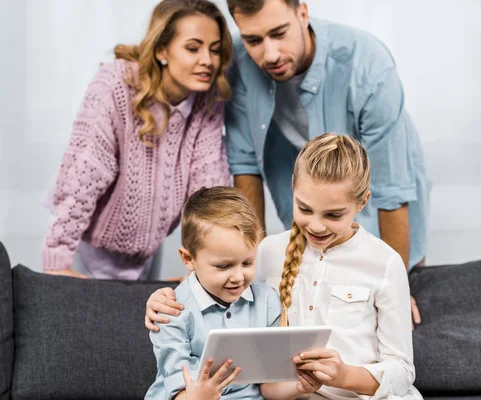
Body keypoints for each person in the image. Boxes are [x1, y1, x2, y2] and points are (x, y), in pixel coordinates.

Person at [147, 134, 423, 399]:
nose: (316, 225)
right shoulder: (268, 251)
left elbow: (402, 370)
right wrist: (161, 299)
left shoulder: (385, 262)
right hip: (293, 394)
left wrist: (344, 375)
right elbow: (218, 281)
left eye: (333, 215)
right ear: (292, 190)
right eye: (304, 209)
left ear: (362, 201)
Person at [223, 0, 430, 322]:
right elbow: (245, 167)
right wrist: (253, 274)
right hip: (311, 235)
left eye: (280, 33)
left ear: (302, 13)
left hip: (383, 219)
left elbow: (392, 190)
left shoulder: (367, 66)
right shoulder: (236, 63)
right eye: (253, 40)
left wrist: (395, 293)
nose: (271, 54)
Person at [42, 0, 232, 280]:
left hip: (146, 251)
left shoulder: (208, 100)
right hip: (88, 246)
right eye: (193, 48)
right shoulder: (115, 83)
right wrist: (57, 260)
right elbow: (85, 174)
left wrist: (209, 269)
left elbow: (208, 190)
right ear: (161, 50)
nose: (207, 60)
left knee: (138, 323)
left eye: (214, 50)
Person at [146, 186, 322, 400]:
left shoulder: (267, 301)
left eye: (247, 262)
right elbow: (177, 386)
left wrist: (300, 387)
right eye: (223, 266)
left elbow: (269, 387)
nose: (238, 277)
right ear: (188, 259)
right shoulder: (170, 309)